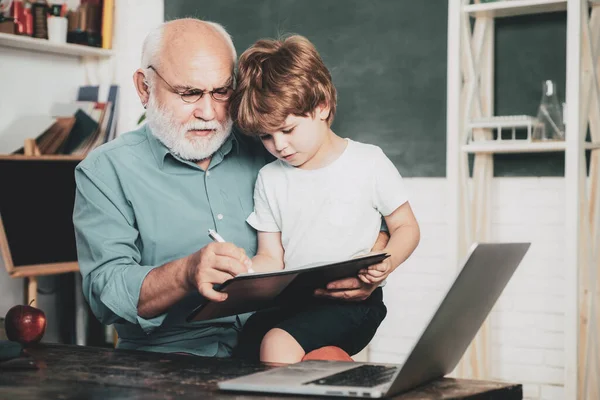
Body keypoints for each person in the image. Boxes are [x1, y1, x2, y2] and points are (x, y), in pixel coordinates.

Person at [73, 18, 388, 357]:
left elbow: (355, 208)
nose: (208, 112)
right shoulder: (105, 171)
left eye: (222, 91)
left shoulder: (271, 146)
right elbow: (105, 294)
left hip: (278, 343)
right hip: (171, 361)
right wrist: (185, 273)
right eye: (189, 93)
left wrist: (366, 267)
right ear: (144, 88)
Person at [229, 35, 421, 364]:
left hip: (353, 305)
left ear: (322, 107)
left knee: (276, 344)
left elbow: (406, 226)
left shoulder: (369, 162)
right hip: (294, 302)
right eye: (266, 136)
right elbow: (271, 258)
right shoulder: (269, 179)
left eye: (287, 130)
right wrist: (239, 272)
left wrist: (388, 259)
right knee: (243, 349)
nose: (279, 146)